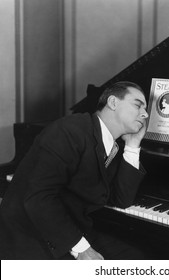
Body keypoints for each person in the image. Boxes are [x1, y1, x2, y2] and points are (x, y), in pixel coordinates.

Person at [0, 81, 149, 260]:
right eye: (138, 105)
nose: (146, 114)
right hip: (31, 236)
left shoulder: (112, 145)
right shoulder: (69, 130)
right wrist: (82, 249)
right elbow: (39, 198)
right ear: (113, 102)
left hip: (71, 228)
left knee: (137, 260)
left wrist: (132, 145)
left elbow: (121, 199)